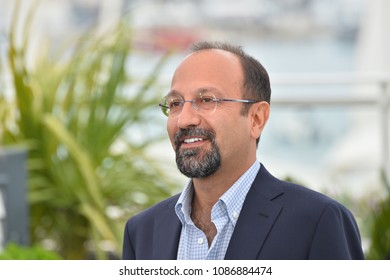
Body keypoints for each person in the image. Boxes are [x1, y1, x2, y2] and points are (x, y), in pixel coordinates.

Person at [122, 41, 365, 260]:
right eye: (175, 104)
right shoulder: (143, 231)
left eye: (207, 100)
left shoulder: (318, 222)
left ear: (256, 119)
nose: (184, 119)